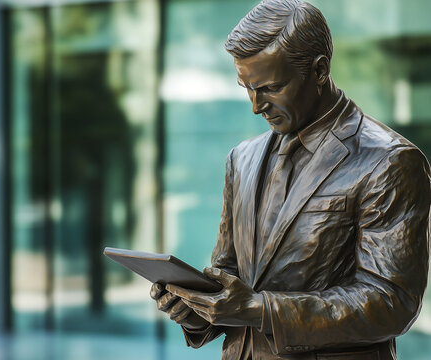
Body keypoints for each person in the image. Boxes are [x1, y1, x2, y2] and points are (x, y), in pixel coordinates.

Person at [150, 0, 431, 359]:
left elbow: (391, 302)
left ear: (319, 70)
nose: (256, 105)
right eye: (247, 87)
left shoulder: (389, 162)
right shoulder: (242, 159)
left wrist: (260, 308)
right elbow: (229, 278)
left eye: (271, 87)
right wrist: (197, 309)